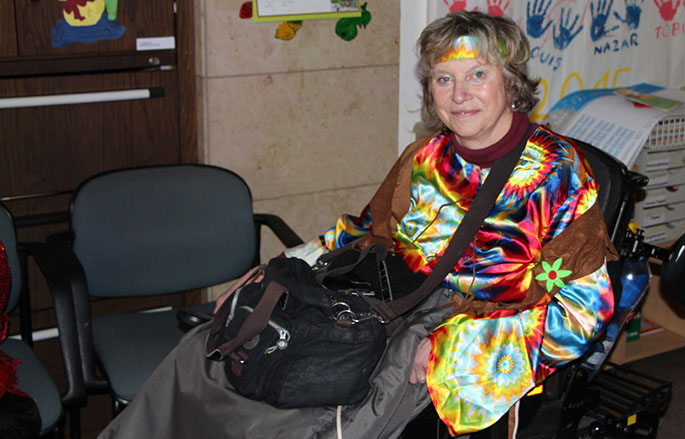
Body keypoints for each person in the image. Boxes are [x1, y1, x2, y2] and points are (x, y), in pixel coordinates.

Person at [101, 10, 616, 438]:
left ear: (511, 83)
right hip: (384, 298)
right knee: (209, 354)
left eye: (477, 75)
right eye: (444, 78)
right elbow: (360, 232)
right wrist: (272, 270)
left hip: (466, 326)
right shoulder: (426, 158)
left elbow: (583, 311)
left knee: (312, 418)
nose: (459, 94)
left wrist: (460, 351)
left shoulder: (558, 173)